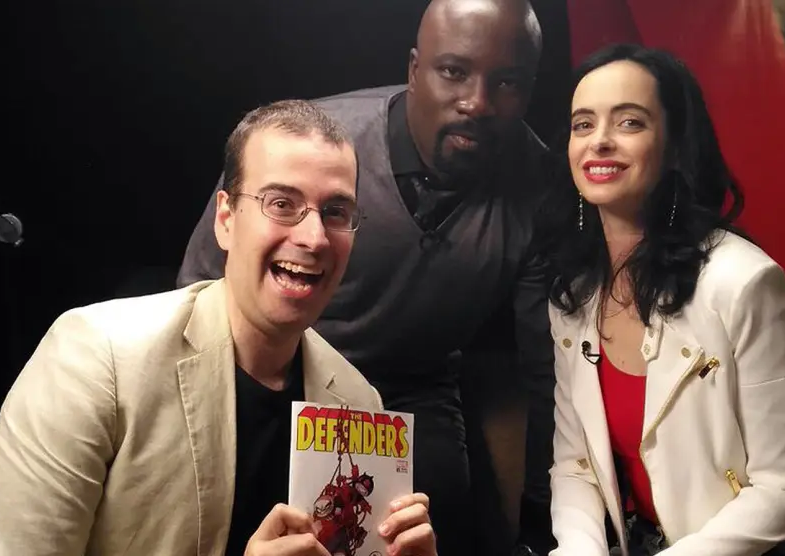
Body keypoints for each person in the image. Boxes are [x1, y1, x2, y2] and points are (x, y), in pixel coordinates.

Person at [0, 100, 437, 556]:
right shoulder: (94, 358)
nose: (313, 238)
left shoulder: (358, 402)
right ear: (225, 219)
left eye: (335, 212)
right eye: (281, 203)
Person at [176, 1, 556, 554]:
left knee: (437, 532)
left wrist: (544, 523)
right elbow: (198, 285)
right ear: (414, 69)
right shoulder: (316, 149)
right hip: (282, 367)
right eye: (454, 71)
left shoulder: (539, 186)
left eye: (507, 82)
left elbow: (544, 363)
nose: (477, 101)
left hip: (412, 390)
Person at [538, 44, 785, 555]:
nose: (599, 140)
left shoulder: (745, 283)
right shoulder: (574, 295)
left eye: (629, 122)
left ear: (675, 147)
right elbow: (575, 468)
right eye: (583, 124)